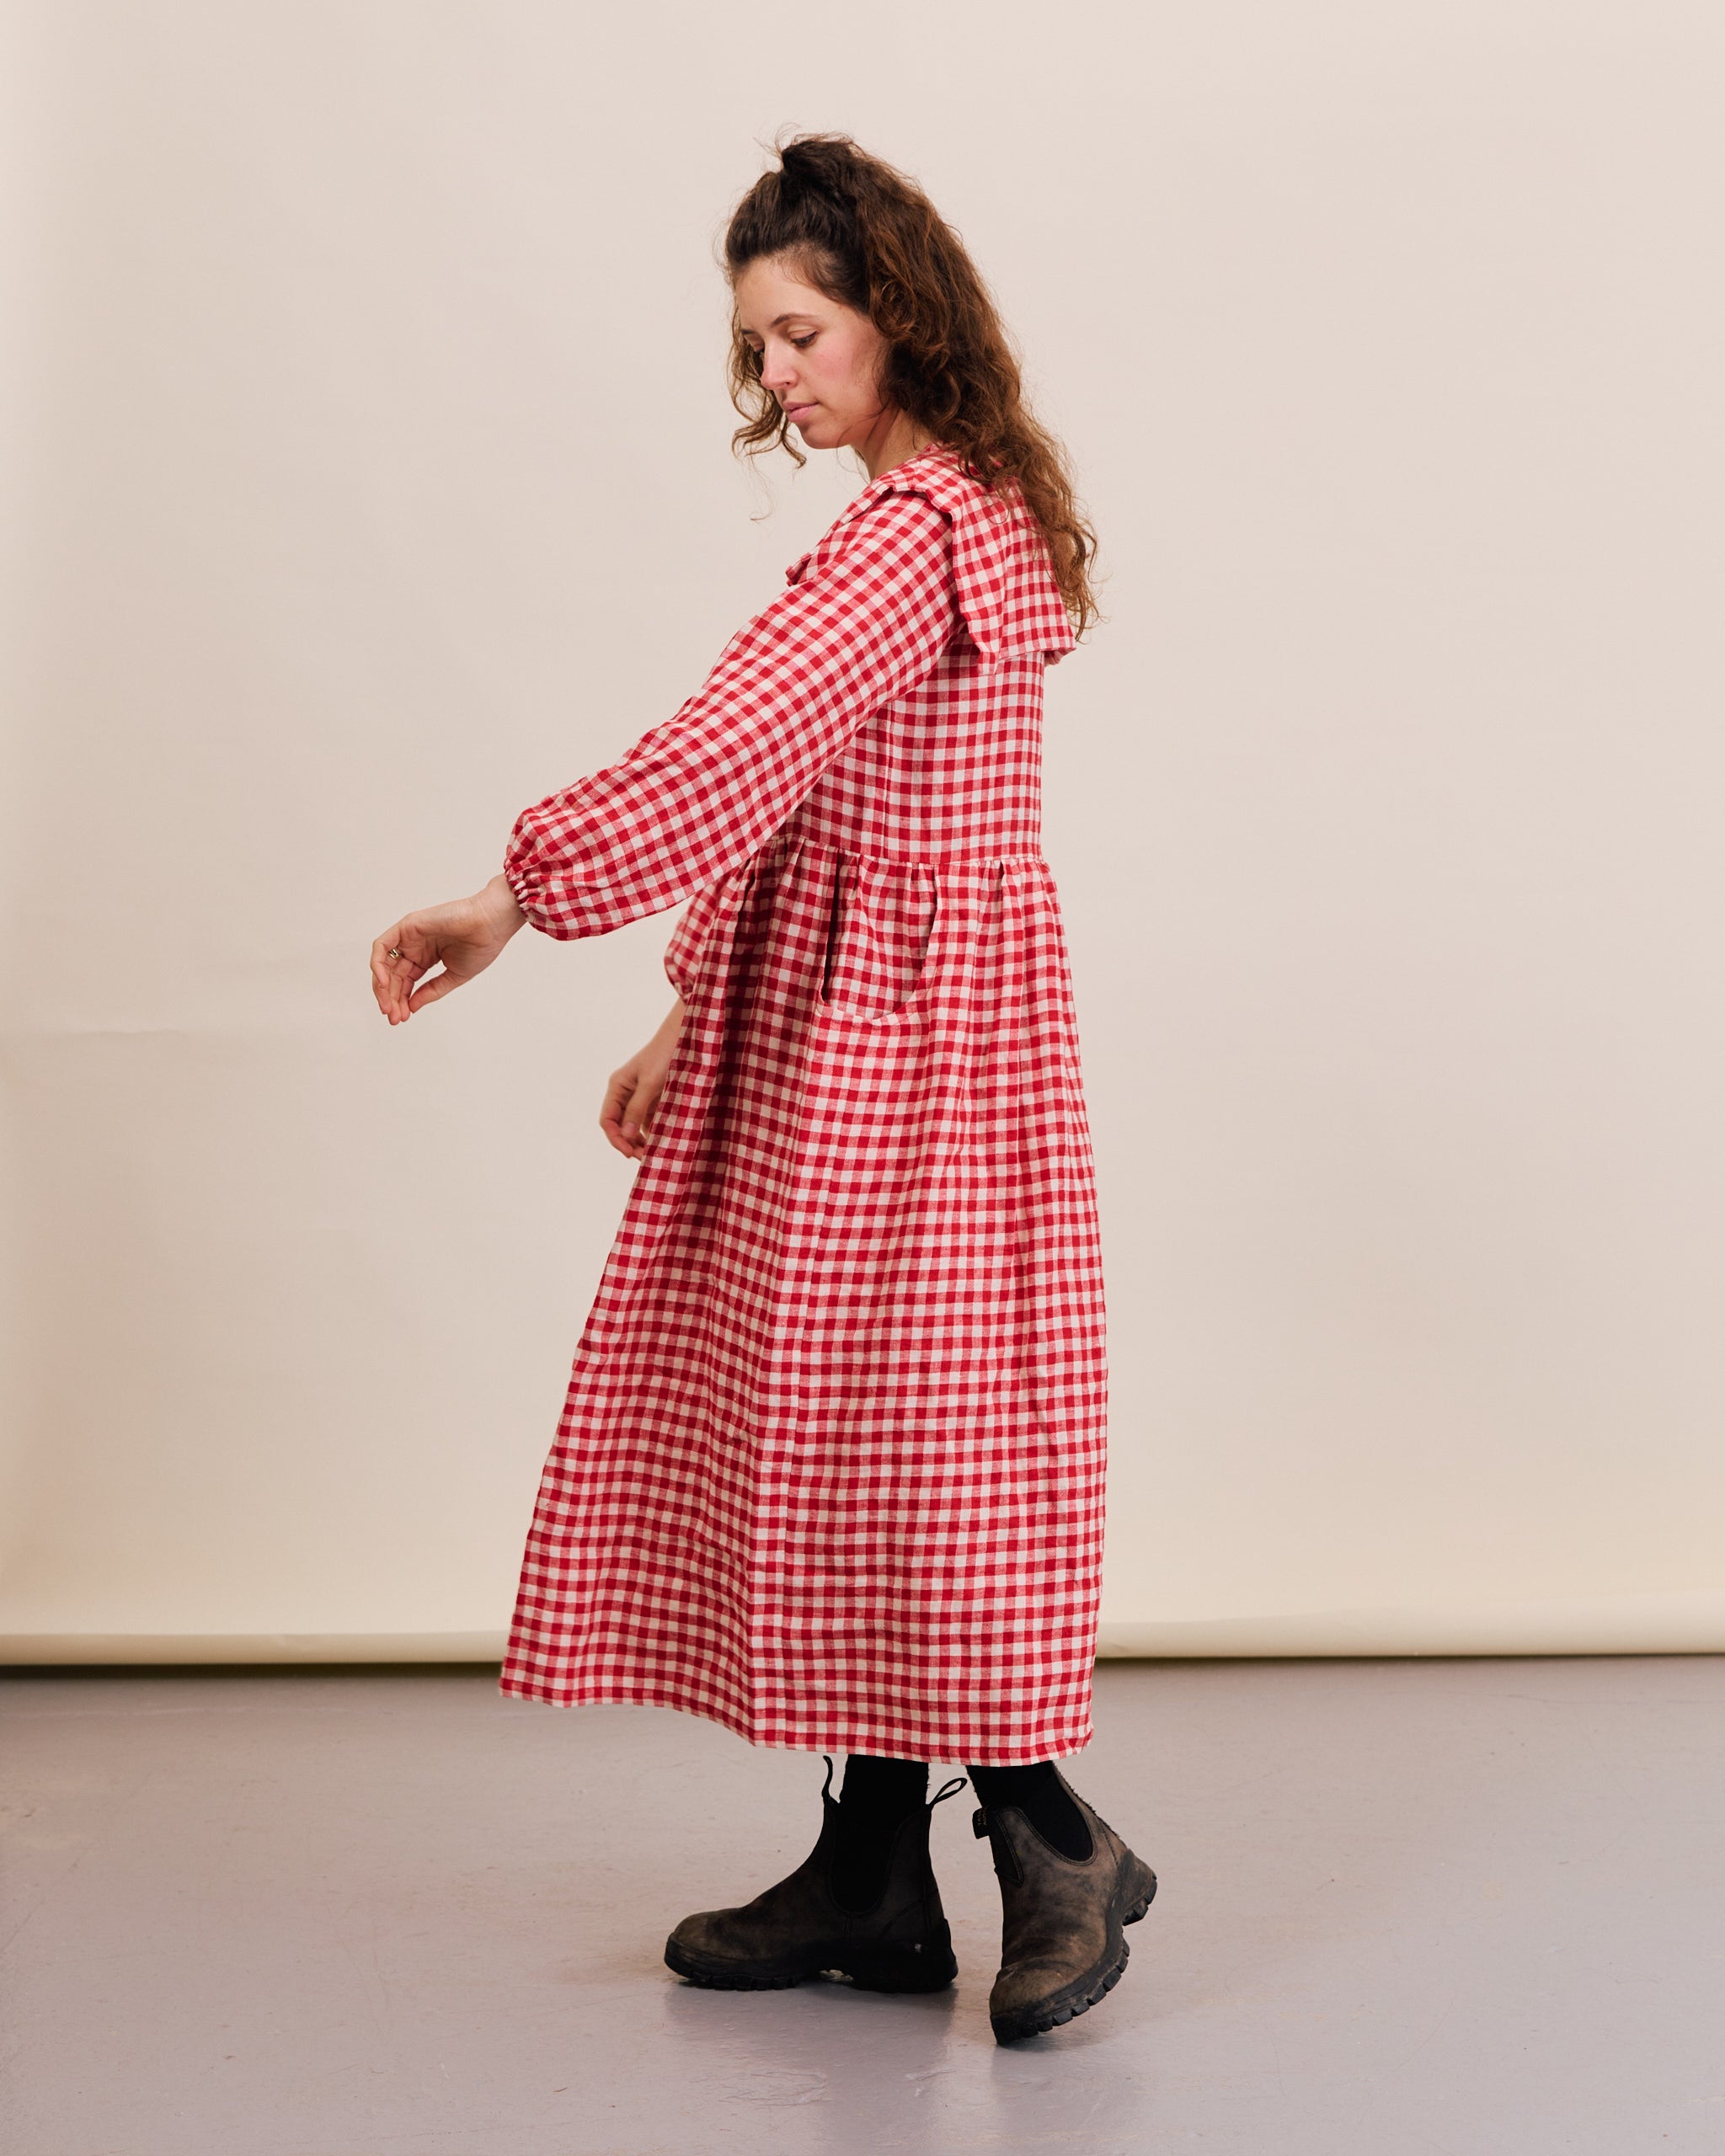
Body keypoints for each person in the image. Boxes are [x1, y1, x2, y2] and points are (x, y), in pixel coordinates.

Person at [368, 131, 1154, 2046]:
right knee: (867, 1428)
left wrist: (516, 891)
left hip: (897, 1045)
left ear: (897, 312)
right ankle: (875, 1862)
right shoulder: (969, 507)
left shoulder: (909, 535)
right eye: (757, 345)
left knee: (914, 1442)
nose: (776, 374)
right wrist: (686, 1008)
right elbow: (811, 797)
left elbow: (734, 744)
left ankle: (1055, 1837)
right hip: (901, 1019)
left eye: (802, 332)